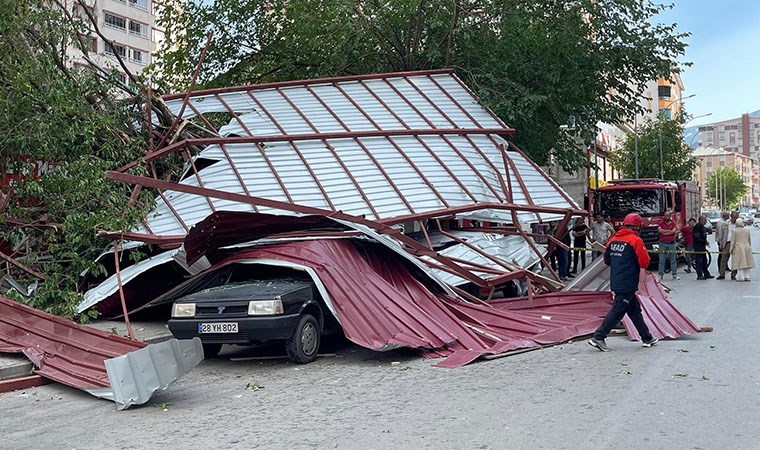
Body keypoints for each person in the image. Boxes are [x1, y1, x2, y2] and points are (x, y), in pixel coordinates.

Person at [588, 213, 658, 351]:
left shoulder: (613, 240)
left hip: (617, 279)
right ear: (637, 226)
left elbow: (607, 260)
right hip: (628, 281)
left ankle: (647, 337)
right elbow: (644, 262)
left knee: (634, 310)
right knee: (618, 310)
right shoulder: (635, 240)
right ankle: (599, 336)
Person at [657, 209, 679, 280]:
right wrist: (670, 232)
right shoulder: (660, 223)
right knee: (661, 260)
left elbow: (674, 231)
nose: (667, 217)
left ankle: (674, 274)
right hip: (662, 243)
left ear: (670, 216)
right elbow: (660, 231)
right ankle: (660, 274)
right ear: (664, 216)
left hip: (671, 243)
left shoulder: (674, 223)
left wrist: (665, 232)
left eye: (668, 215)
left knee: (673, 259)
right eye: (665, 215)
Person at [717, 211, 739, 280]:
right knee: (724, 259)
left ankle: (733, 274)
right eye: (734, 217)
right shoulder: (726, 224)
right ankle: (722, 274)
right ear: (731, 216)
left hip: (736, 243)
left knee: (735, 260)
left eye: (736, 217)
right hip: (727, 243)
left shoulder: (739, 224)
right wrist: (721, 243)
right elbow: (721, 234)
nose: (735, 219)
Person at [693, 214, 713, 280]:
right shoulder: (697, 227)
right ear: (701, 220)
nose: (705, 221)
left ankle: (706, 274)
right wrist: (704, 241)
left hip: (702, 246)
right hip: (698, 246)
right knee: (699, 261)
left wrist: (705, 241)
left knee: (704, 261)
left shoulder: (702, 227)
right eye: (704, 220)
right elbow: (697, 238)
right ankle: (699, 275)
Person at [714, 211, 730, 278]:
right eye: (728, 215)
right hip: (722, 241)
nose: (729, 217)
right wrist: (721, 243)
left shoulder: (724, 222)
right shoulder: (721, 223)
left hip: (724, 241)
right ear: (725, 216)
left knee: (725, 255)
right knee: (721, 255)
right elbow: (720, 234)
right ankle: (720, 268)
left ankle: (725, 267)